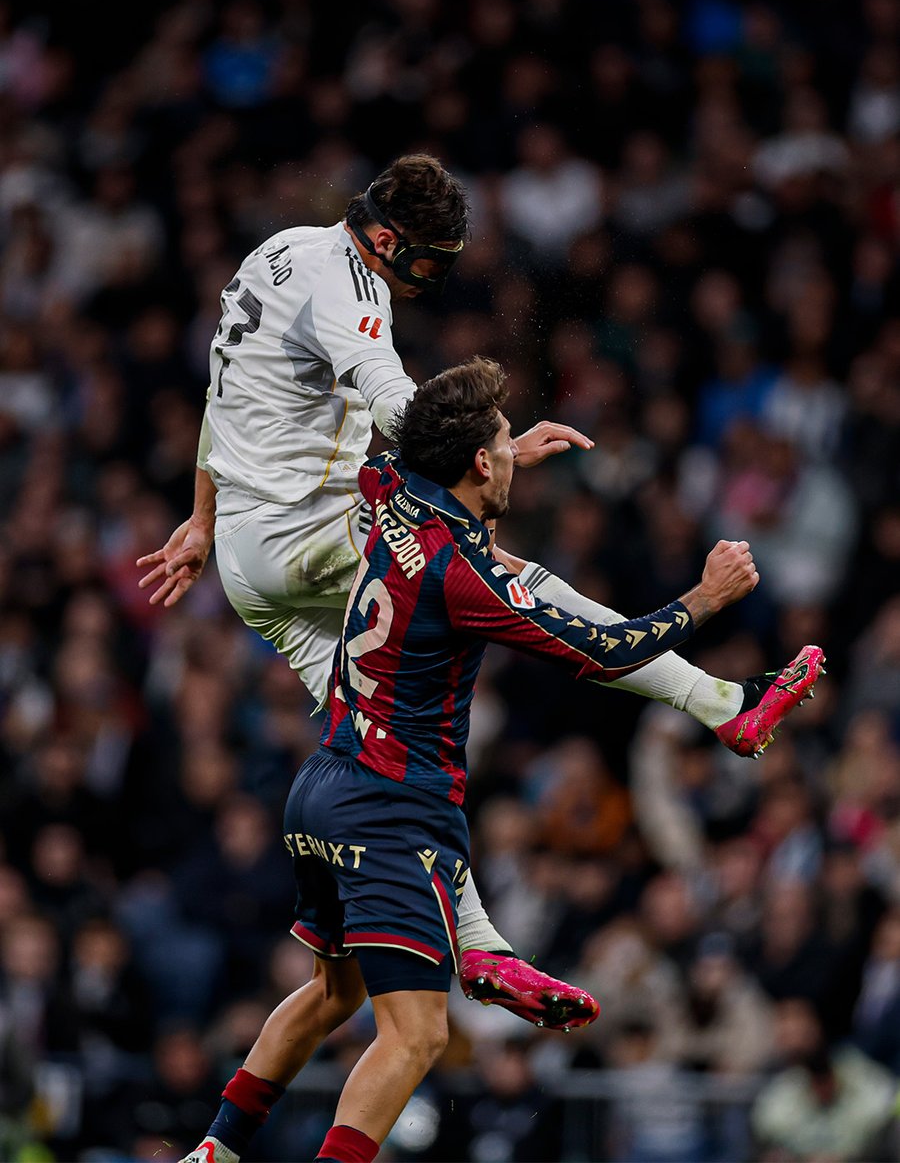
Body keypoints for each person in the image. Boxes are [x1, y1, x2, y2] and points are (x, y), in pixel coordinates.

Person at [137, 154, 824, 1028]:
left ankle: (481, 946)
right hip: (307, 533)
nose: (433, 278)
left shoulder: (278, 250)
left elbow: (222, 390)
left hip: (246, 558)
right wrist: (487, 453)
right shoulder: (353, 292)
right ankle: (722, 702)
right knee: (510, 584)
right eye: (430, 259)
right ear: (387, 239)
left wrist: (200, 518)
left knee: (389, 753)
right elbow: (398, 408)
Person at [180, 355, 770, 1163]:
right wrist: (702, 598)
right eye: (502, 447)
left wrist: (505, 451)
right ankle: (480, 947)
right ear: (480, 464)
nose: (514, 463)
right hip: (391, 806)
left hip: (322, 783)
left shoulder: (388, 490)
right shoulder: (467, 578)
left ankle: (216, 1149)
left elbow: (430, 461)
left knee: (332, 991)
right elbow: (603, 650)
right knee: (417, 1035)